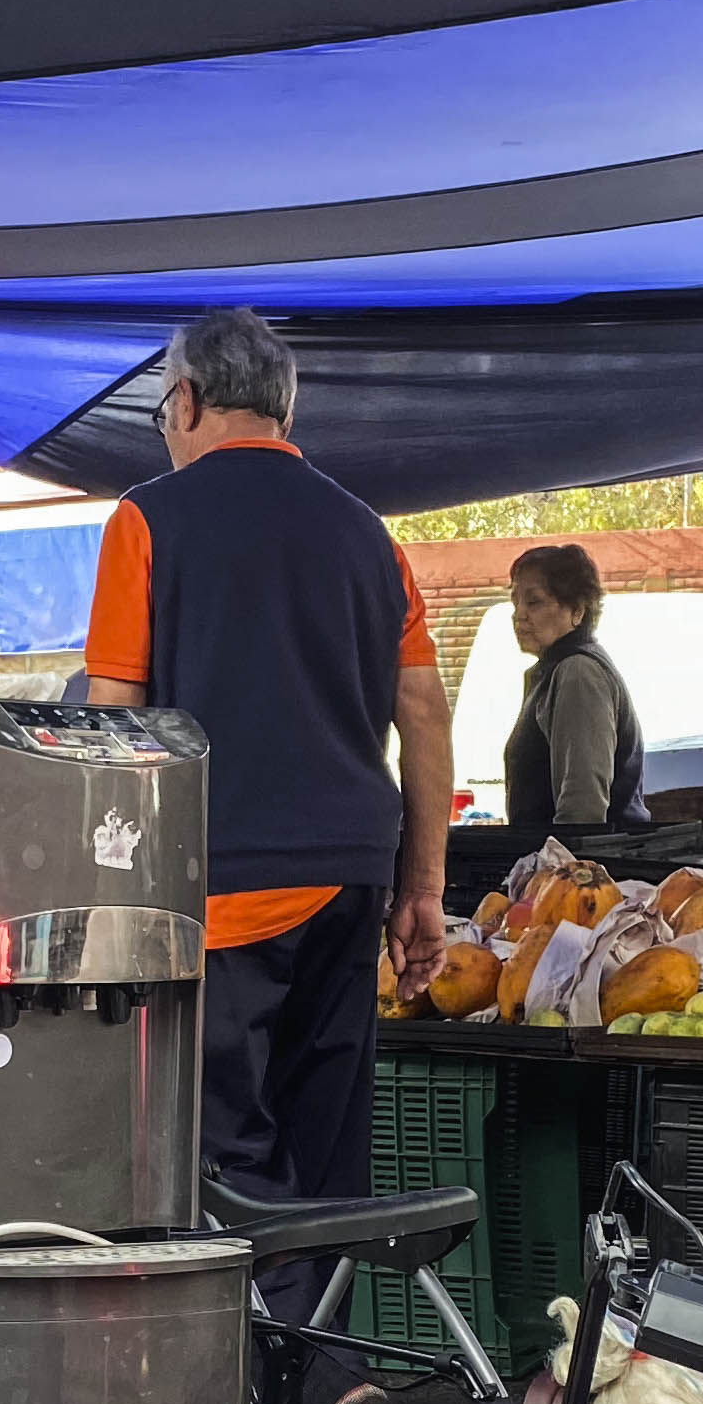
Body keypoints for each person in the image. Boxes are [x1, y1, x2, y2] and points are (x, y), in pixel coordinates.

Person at [80, 309, 450, 1339]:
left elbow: (114, 717)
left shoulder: (146, 518)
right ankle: (329, 1385)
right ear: (284, 409)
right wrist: (421, 887)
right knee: (324, 1157)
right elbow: (420, 708)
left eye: (163, 411)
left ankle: (283, 1396)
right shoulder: (367, 533)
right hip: (348, 878)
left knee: (226, 1157)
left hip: (219, 880)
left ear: (187, 399)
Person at [502, 543, 646, 831]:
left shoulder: (578, 672)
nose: (519, 615)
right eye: (515, 601)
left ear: (577, 611)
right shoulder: (554, 671)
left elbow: (583, 804)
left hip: (580, 869)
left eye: (534, 602)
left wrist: (562, 870)